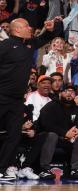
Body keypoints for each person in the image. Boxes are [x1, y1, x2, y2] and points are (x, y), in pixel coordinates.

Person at [0, 18, 60, 181]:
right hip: (1, 96)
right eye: (26, 26)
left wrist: (49, 29)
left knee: (14, 135)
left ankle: (2, 170)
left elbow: (45, 38)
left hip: (17, 100)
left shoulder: (29, 44)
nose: (30, 28)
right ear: (17, 30)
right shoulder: (4, 46)